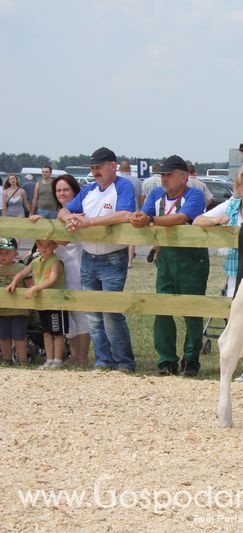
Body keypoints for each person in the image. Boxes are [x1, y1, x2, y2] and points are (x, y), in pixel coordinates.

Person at [129, 155, 208, 377]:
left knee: (192, 310)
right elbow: (144, 214)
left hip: (192, 261)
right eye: (162, 175)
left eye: (168, 175)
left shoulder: (194, 194)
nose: (164, 179)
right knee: (162, 309)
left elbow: (182, 218)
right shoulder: (156, 195)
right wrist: (138, 218)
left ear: (183, 178)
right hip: (166, 259)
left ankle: (191, 360)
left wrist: (151, 221)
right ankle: (166, 360)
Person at [59, 147, 136, 372]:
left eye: (98, 167)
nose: (94, 172)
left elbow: (124, 214)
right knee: (94, 314)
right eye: (92, 168)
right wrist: (69, 217)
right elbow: (63, 211)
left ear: (113, 166)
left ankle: (124, 363)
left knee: (111, 313)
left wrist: (88, 222)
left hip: (113, 257)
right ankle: (102, 361)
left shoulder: (123, 186)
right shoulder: (89, 190)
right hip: (89, 258)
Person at [193, 168, 243, 381]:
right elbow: (198, 220)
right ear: (238, 188)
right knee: (238, 320)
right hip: (236, 270)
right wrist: (218, 221)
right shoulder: (231, 206)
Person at [30, 174, 91, 367]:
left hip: (77, 267)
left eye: (66, 189)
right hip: (59, 270)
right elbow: (47, 239)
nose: (62, 193)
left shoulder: (80, 212)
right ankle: (73, 355)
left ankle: (82, 357)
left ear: (74, 191)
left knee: (80, 315)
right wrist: (39, 222)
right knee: (67, 317)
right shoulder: (57, 212)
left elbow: (64, 239)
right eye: (58, 190)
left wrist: (46, 229)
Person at [8, 239, 68, 369]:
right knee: (46, 333)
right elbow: (22, 273)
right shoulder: (36, 261)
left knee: (57, 333)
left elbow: (52, 280)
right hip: (43, 304)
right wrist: (14, 282)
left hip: (55, 303)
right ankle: (49, 359)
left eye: (48, 244)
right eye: (40, 244)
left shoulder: (56, 262)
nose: (43, 247)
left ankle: (58, 360)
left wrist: (35, 288)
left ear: (55, 245)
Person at [0, 237, 29, 365]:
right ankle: (6, 360)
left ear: (16, 253)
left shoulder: (21, 267)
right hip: (2, 311)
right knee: (3, 337)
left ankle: (22, 360)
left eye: (7, 252)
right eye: (0, 252)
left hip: (18, 309)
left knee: (19, 337)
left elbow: (29, 284)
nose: (3, 256)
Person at [118, 160, 143, 269]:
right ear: (130, 169)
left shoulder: (117, 181)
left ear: (120, 169)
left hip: (120, 212)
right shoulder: (137, 180)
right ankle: (129, 262)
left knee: (120, 235)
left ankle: (120, 259)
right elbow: (140, 197)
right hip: (135, 210)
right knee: (132, 238)